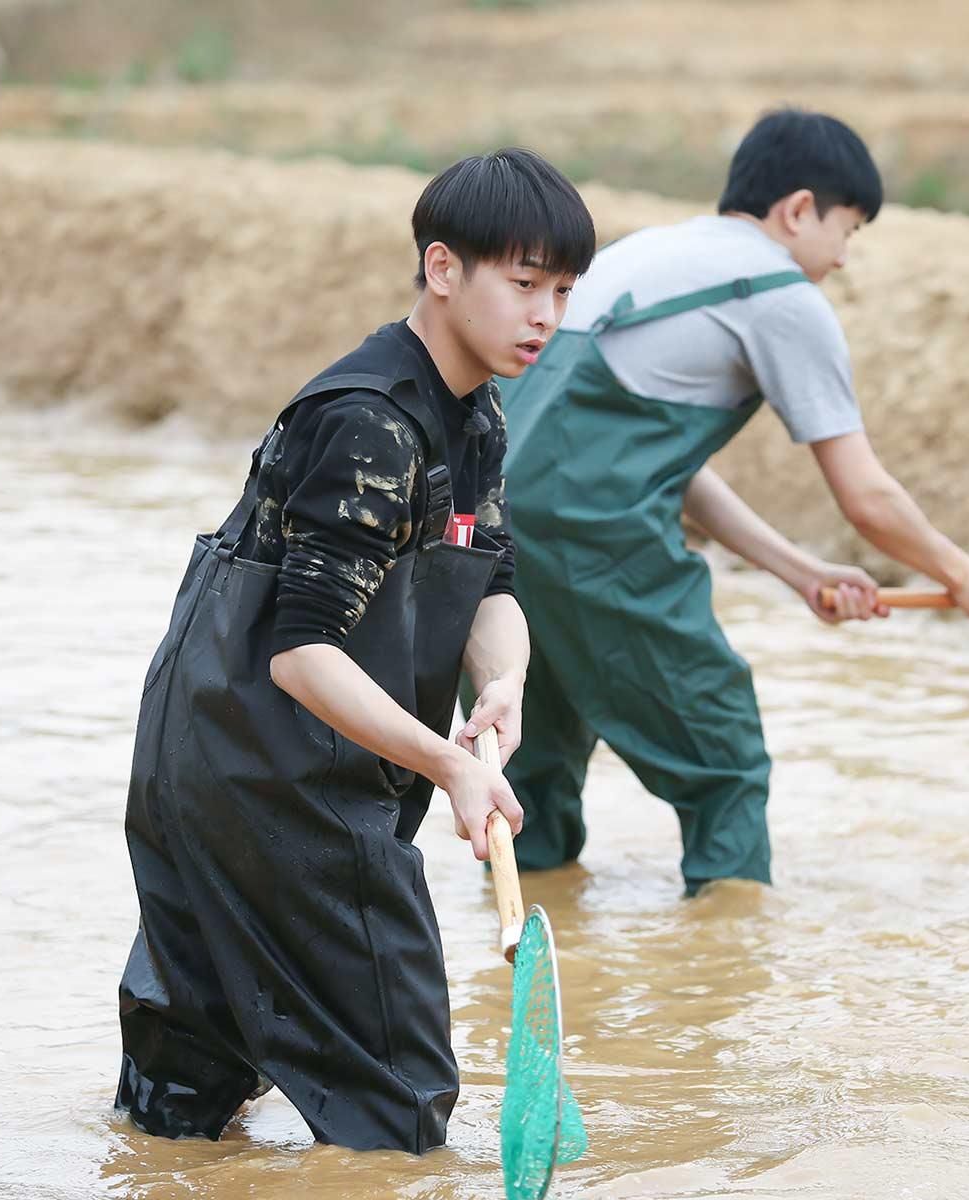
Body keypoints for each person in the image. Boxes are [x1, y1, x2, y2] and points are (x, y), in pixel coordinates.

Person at [113, 148, 595, 1153]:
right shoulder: (371, 422)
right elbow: (301, 654)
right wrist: (449, 763)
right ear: (443, 269)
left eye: (560, 288)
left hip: (215, 753)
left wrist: (501, 684)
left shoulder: (474, 412)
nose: (545, 313)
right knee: (398, 1097)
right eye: (523, 282)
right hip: (271, 772)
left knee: (180, 1101)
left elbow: (488, 579)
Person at [493, 109, 969, 896]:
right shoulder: (781, 295)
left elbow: (634, 462)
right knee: (724, 762)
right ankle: (730, 972)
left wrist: (799, 570)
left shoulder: (645, 253)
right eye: (847, 232)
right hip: (593, 544)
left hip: (490, 540)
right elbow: (867, 497)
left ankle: (539, 950)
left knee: (526, 775)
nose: (842, 260)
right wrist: (965, 572)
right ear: (798, 210)